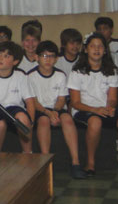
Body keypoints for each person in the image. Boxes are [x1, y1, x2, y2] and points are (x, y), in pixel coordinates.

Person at [27, 41, 86, 179]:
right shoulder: (30, 76)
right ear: (37, 57)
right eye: (44, 56)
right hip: (40, 109)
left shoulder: (60, 75)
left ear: (56, 59)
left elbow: (62, 99)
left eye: (52, 56)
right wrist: (48, 113)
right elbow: (33, 101)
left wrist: (55, 111)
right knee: (44, 121)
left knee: (68, 119)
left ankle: (75, 162)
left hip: (56, 108)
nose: (48, 59)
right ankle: (46, 163)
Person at [68, 32, 118, 176]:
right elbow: (75, 102)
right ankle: (90, 162)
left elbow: (113, 98)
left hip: (103, 108)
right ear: (86, 49)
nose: (96, 49)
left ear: (105, 50)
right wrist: (94, 110)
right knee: (95, 122)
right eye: (93, 46)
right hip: (84, 110)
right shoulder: (77, 72)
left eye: (100, 46)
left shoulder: (112, 70)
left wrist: (110, 107)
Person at [0, 41, 35, 153]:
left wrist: (31, 122)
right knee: (0, 124)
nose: (0, 58)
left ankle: (28, 153)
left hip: (15, 109)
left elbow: (29, 101)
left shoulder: (21, 76)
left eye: (6, 56)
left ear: (15, 61)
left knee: (23, 118)